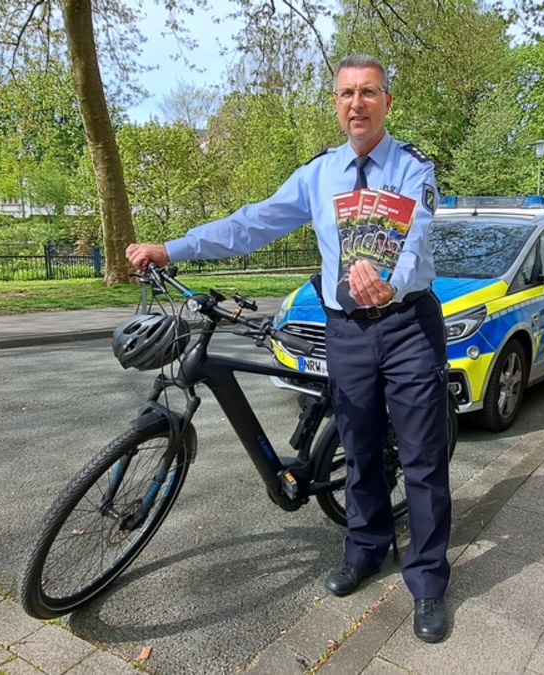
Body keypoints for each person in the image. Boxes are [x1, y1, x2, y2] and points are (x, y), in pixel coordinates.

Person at [125, 54, 452, 643]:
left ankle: (427, 583)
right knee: (358, 445)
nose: (357, 103)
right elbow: (252, 223)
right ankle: (365, 550)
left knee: (423, 459)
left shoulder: (412, 168)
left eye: (369, 92)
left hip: (406, 323)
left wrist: (391, 281)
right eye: (347, 93)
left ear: (386, 102)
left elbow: (417, 236)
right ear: (336, 102)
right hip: (347, 328)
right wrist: (172, 249)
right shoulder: (318, 174)